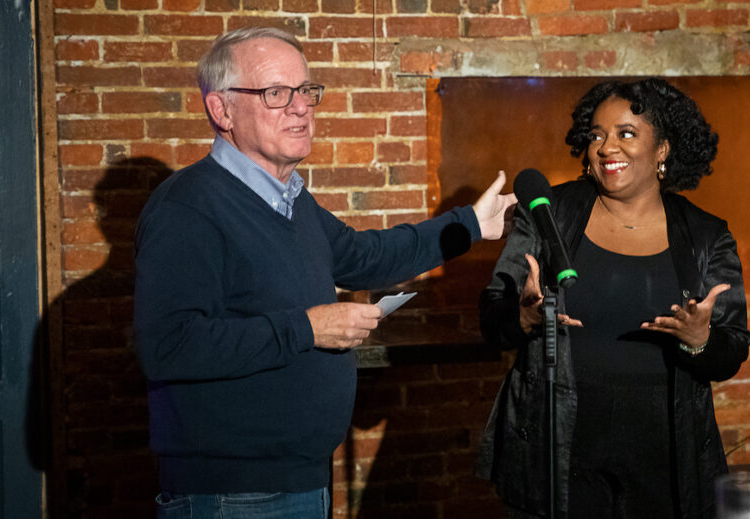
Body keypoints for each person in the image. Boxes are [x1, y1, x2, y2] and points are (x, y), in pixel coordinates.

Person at [133, 27, 515, 518]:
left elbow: (365, 257)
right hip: (233, 496)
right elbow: (168, 346)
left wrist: (469, 226)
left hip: (300, 481)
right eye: (276, 93)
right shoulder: (187, 207)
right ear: (221, 110)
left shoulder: (290, 200)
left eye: (306, 91)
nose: (300, 108)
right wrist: (308, 327)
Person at [475, 78, 750, 519]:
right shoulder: (550, 212)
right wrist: (525, 316)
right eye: (597, 135)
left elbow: (731, 350)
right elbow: (493, 319)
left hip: (664, 462)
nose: (607, 147)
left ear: (662, 149)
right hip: (560, 454)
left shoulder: (705, 235)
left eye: (626, 133)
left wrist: (700, 339)